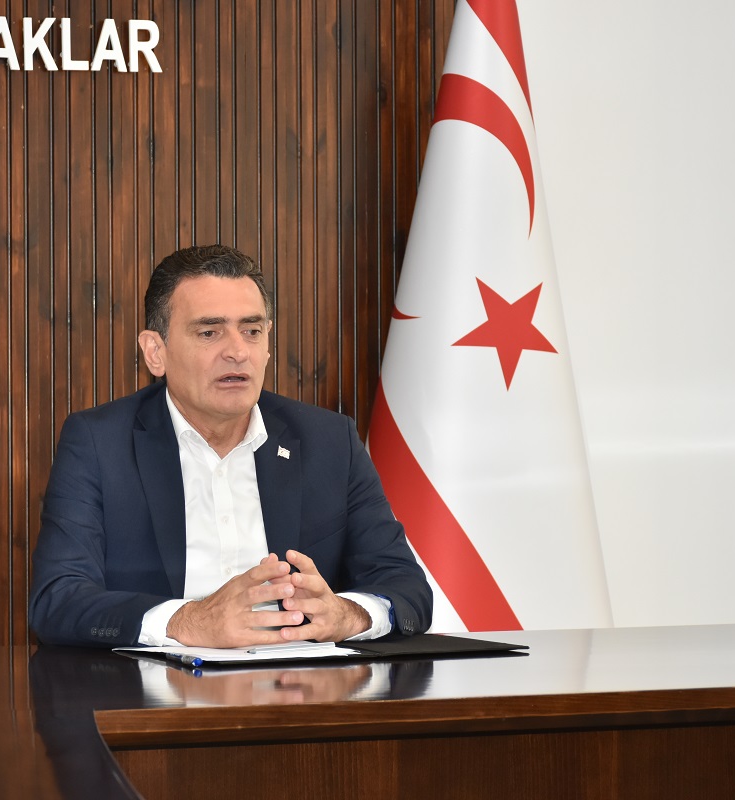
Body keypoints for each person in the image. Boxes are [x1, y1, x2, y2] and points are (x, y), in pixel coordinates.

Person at [29, 245, 432, 648]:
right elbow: (57, 600)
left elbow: (406, 588)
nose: (238, 352)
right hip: (157, 685)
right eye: (209, 332)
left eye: (252, 331)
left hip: (299, 682)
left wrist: (348, 614)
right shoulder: (99, 443)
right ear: (156, 352)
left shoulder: (329, 441)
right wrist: (188, 622)